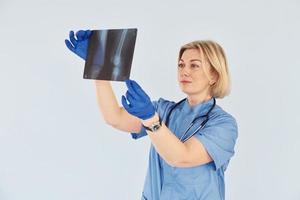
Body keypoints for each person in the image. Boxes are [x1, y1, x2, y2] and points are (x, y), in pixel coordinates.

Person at [65, 30, 238, 200]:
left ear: (214, 75)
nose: (184, 71)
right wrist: (99, 68)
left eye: (194, 65)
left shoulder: (223, 125)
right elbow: (114, 118)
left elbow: (181, 158)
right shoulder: (165, 110)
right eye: (181, 64)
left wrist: (150, 119)